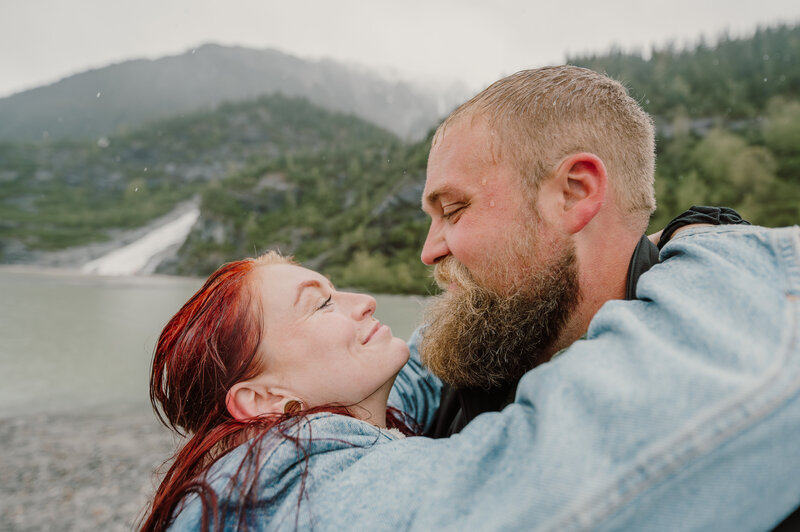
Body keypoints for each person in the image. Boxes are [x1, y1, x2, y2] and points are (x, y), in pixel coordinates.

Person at [161, 66, 800, 531]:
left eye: (454, 208)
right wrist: (712, 239)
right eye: (319, 303)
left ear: (575, 193)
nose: (428, 250)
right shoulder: (269, 485)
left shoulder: (462, 373)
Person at [141, 252, 441, 531]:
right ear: (263, 399)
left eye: (333, 291)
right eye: (322, 303)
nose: (366, 301)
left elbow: (420, 373)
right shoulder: (328, 485)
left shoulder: (270, 456)